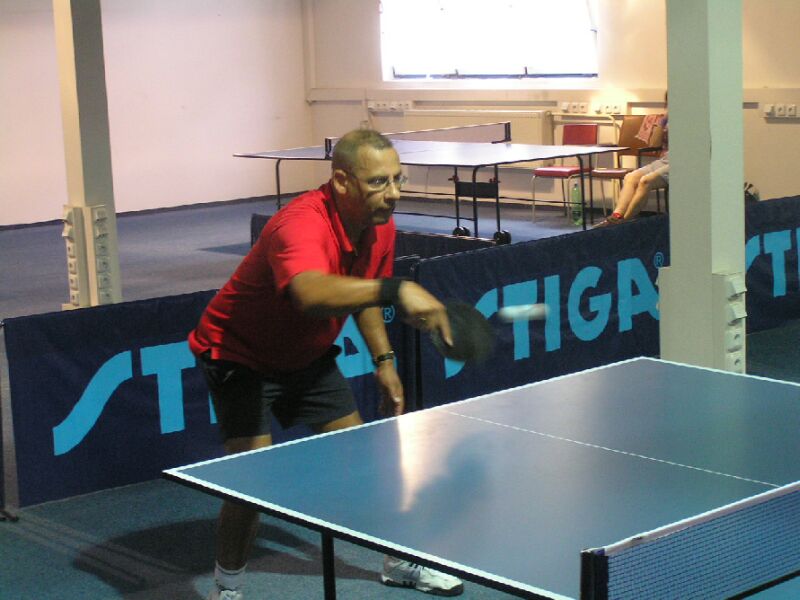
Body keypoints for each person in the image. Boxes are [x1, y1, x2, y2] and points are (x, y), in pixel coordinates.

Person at [188, 129, 465, 600]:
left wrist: (384, 360)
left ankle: (398, 561)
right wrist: (398, 289)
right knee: (250, 482)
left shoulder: (379, 223)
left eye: (397, 179)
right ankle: (227, 589)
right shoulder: (299, 224)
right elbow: (310, 292)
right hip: (239, 355)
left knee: (363, 457)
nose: (393, 194)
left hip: (306, 356)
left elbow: (363, 292)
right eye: (378, 182)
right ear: (341, 180)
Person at [595, 110, 669, 227]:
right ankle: (617, 216)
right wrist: (663, 121)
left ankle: (623, 223)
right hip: (665, 160)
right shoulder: (666, 120)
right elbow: (654, 144)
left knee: (645, 181)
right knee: (631, 177)